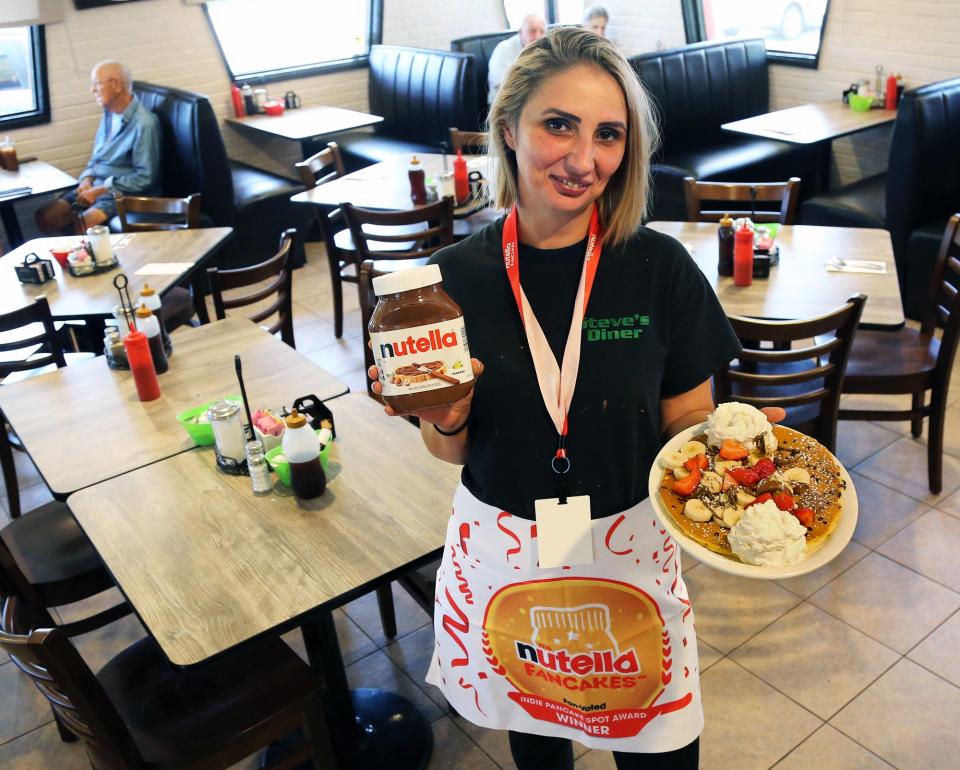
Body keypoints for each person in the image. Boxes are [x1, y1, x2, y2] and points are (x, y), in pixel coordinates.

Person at [370, 27, 779, 769]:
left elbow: (685, 417)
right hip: (511, 559)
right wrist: (443, 415)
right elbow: (449, 447)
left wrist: (726, 444)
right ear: (508, 129)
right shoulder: (445, 284)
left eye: (609, 134)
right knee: (541, 749)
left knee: (661, 752)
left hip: (629, 551)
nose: (584, 159)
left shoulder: (660, 268)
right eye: (559, 124)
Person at [36, 60, 160, 234]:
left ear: (116, 85)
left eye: (97, 84)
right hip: (97, 185)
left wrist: (100, 190)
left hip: (121, 194)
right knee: (46, 216)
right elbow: (97, 158)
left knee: (81, 226)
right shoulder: (109, 114)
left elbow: (145, 178)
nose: (92, 90)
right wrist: (87, 179)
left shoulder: (145, 124)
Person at [487, 13, 547, 106]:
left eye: (542, 31)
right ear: (520, 32)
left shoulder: (544, 50)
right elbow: (503, 89)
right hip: (503, 108)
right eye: (532, 31)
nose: (538, 36)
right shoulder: (504, 49)